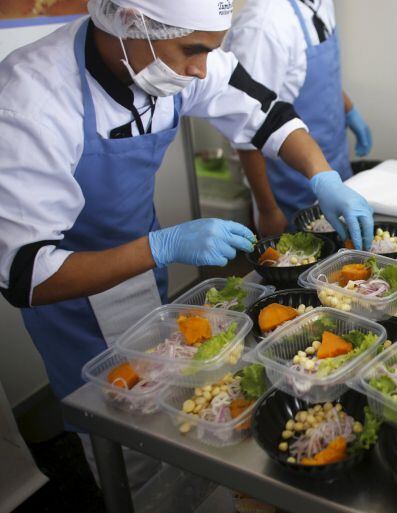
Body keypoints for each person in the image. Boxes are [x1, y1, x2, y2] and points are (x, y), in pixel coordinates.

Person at [0, 0, 372, 491]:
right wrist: (162, 246)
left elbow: (268, 114)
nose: (201, 68)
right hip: (76, 297)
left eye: (209, 50)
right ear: (129, 21)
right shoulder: (31, 98)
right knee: (128, 443)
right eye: (192, 50)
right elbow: (26, 275)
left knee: (181, 416)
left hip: (145, 265)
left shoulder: (178, 57)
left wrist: (323, 176)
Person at [224, 0, 373, 234]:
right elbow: (246, 129)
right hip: (289, 188)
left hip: (334, 166)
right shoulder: (262, 25)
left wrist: (349, 109)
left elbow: (308, 75)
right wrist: (268, 210)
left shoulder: (321, 4)